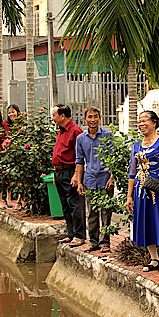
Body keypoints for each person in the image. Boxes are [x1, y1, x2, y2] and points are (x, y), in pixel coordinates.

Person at [126, 111, 159, 273]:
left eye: (145, 120)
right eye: (139, 121)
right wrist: (129, 196)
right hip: (140, 192)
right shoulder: (136, 146)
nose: (141, 124)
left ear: (154, 123)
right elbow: (132, 172)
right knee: (145, 222)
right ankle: (154, 259)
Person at [74, 107, 114, 253]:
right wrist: (79, 181)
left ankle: (105, 243)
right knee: (91, 212)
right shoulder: (81, 139)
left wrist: (112, 177)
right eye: (90, 117)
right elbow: (79, 161)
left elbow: (113, 159)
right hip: (89, 179)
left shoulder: (107, 136)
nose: (92, 119)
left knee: (106, 212)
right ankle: (93, 241)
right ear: (85, 119)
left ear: (99, 118)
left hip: (105, 179)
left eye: (95, 116)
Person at [51, 104, 86, 246]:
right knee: (65, 205)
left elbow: (80, 155)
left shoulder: (75, 131)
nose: (53, 119)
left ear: (62, 116)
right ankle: (70, 233)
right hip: (59, 171)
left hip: (70, 170)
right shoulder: (61, 131)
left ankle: (79, 235)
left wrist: (77, 175)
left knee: (75, 204)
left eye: (54, 115)